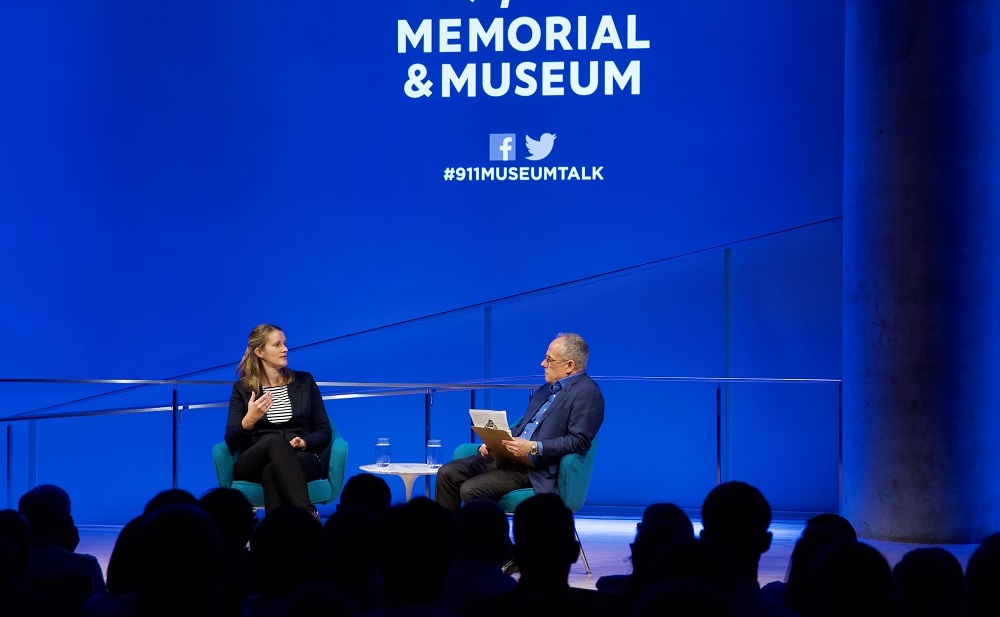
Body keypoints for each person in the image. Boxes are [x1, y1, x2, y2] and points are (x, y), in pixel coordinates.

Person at [435, 332, 604, 512]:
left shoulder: (587, 392)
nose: (543, 364)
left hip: (534, 468)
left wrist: (533, 447)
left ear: (569, 365)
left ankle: (489, 539)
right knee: (447, 473)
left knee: (471, 489)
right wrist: (495, 441)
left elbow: (579, 442)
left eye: (549, 359)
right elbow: (523, 425)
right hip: (509, 458)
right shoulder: (545, 390)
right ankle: (448, 538)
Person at [225, 324, 332, 515]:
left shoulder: (304, 381)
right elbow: (231, 439)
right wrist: (249, 420)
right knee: (274, 441)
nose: (285, 349)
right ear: (259, 351)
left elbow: (324, 430)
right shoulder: (242, 388)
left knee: (272, 472)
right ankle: (307, 514)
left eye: (285, 343)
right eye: (277, 345)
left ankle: (276, 537)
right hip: (254, 460)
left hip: (300, 457)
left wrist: (305, 442)